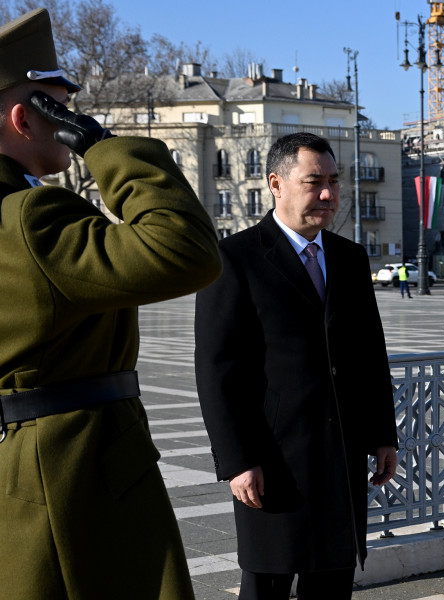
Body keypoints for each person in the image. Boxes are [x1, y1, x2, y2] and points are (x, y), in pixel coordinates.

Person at [0, 8, 222, 599]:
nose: (70, 119)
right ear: (25, 118)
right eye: (59, 107)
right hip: (72, 472)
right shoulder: (31, 218)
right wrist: (103, 146)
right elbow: (186, 249)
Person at [195, 132, 399, 600]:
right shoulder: (234, 259)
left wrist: (382, 434)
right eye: (314, 182)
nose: (328, 195)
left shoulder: (350, 258)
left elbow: (370, 354)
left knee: (331, 583)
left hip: (341, 458)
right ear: (276, 183)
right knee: (266, 585)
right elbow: (217, 368)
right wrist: (238, 460)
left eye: (333, 181)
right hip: (273, 461)